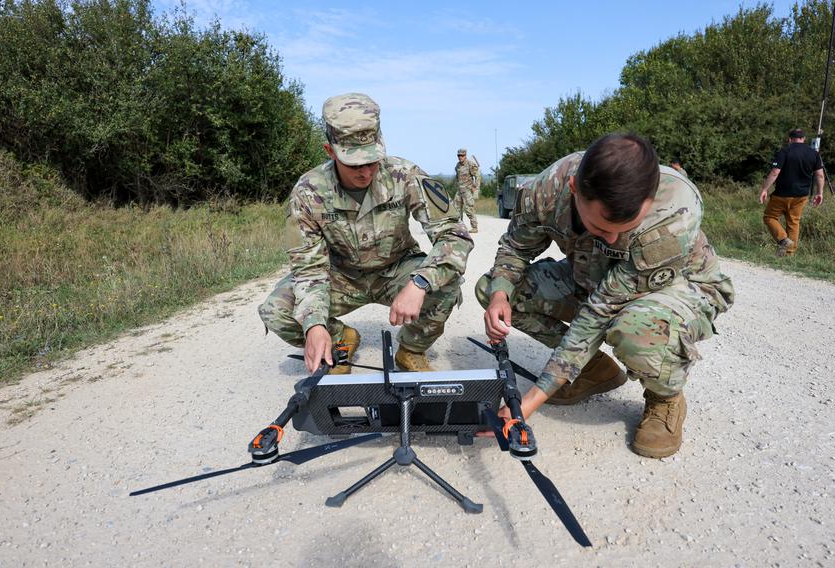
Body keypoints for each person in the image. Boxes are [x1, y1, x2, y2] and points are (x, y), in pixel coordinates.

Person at [477, 133, 734, 458]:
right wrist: (501, 292)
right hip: (593, 279)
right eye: (599, 228)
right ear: (574, 190)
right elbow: (515, 247)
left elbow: (599, 314)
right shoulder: (546, 190)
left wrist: (530, 402)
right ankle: (593, 371)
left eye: (626, 228)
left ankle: (665, 398)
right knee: (495, 288)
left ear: (649, 199)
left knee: (632, 328)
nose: (613, 239)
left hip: (681, 290)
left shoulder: (671, 217)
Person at [259, 93, 473, 375]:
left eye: (372, 161)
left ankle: (411, 350)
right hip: (341, 276)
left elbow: (454, 237)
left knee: (446, 281)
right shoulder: (308, 192)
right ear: (330, 151)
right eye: (354, 164)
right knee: (277, 310)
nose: (366, 172)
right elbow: (309, 269)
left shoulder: (405, 175)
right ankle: (339, 338)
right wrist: (314, 325)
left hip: (396, 270)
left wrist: (420, 282)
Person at [758, 128, 825, 257]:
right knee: (793, 222)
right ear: (804, 139)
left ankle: (783, 240)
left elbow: (775, 172)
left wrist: (764, 189)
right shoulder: (814, 154)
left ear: (790, 139)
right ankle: (789, 254)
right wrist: (819, 193)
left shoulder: (784, 152)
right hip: (801, 196)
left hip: (781, 195)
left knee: (769, 217)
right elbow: (820, 175)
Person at [454, 148, 481, 233]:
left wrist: (475, 187)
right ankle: (460, 227)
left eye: (462, 155)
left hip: (468, 190)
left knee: (469, 209)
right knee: (456, 209)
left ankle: (474, 227)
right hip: (459, 190)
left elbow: (478, 176)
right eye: (459, 155)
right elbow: (457, 177)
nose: (460, 157)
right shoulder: (458, 165)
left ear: (465, 156)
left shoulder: (470, 164)